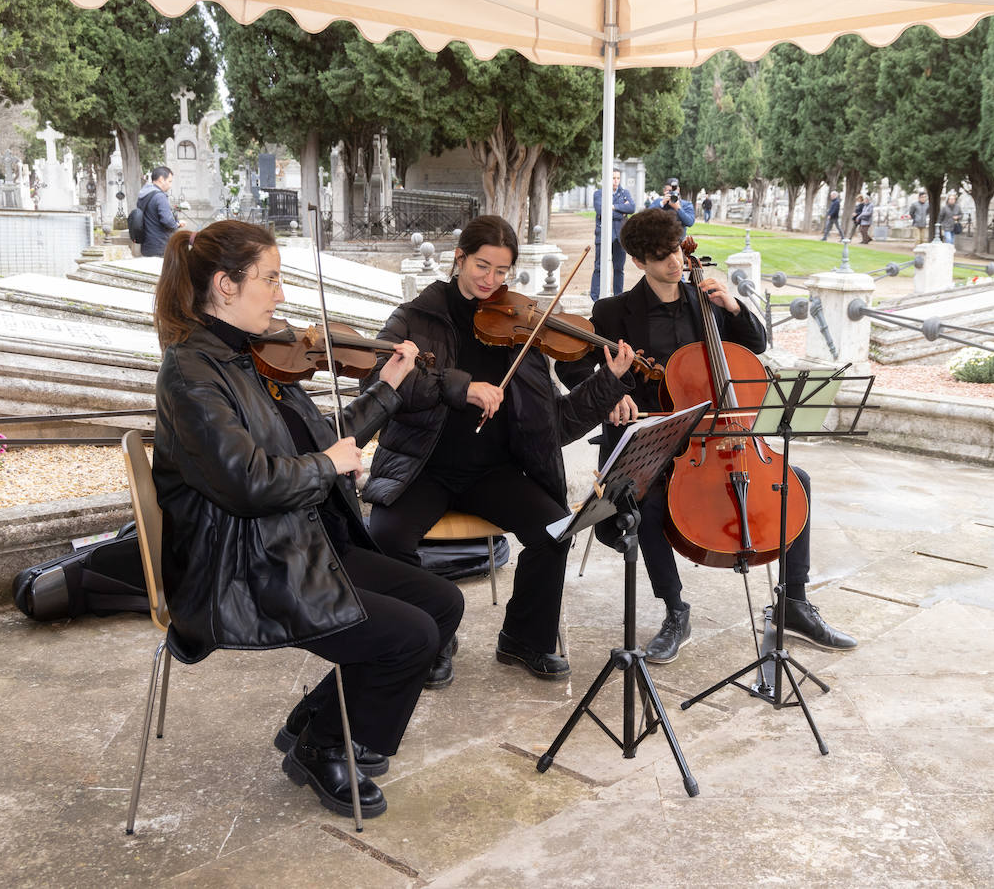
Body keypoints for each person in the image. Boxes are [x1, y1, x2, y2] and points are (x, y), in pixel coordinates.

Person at [151, 219, 463, 820]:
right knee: (410, 637)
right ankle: (324, 746)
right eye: (270, 280)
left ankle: (313, 720)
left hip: (299, 542)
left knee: (443, 604)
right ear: (224, 286)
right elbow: (247, 483)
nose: (282, 294)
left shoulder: (258, 359)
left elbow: (331, 444)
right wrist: (325, 464)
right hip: (246, 565)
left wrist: (390, 388)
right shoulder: (192, 373)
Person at [556, 207, 858, 663]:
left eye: (677, 250)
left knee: (796, 481)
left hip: (720, 435)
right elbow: (572, 362)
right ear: (639, 262)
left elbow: (755, 345)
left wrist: (734, 306)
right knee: (651, 503)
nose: (675, 263)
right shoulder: (615, 312)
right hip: (655, 440)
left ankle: (792, 603)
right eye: (661, 257)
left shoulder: (706, 299)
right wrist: (608, 392)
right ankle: (676, 611)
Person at [363, 215, 635, 682]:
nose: (492, 281)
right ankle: (429, 634)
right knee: (386, 538)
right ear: (459, 258)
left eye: (503, 271)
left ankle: (523, 640)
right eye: (482, 266)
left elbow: (555, 425)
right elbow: (380, 388)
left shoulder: (523, 334)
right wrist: (460, 388)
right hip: (421, 467)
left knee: (555, 531)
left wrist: (606, 384)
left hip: (493, 473)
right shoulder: (413, 317)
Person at [590, 168, 636, 301]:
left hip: (620, 236)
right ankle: (595, 297)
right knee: (599, 266)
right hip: (603, 235)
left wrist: (612, 207)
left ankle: (618, 297)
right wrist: (621, 210)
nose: (616, 181)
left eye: (618, 178)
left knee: (619, 268)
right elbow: (601, 210)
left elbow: (631, 208)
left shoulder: (624, 193)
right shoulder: (599, 193)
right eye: (613, 178)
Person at [137, 166, 186, 257]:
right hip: (160, 246)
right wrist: (178, 224)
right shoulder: (160, 196)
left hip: (147, 245)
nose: (170, 185)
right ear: (161, 179)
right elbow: (167, 221)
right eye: (169, 181)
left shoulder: (144, 194)